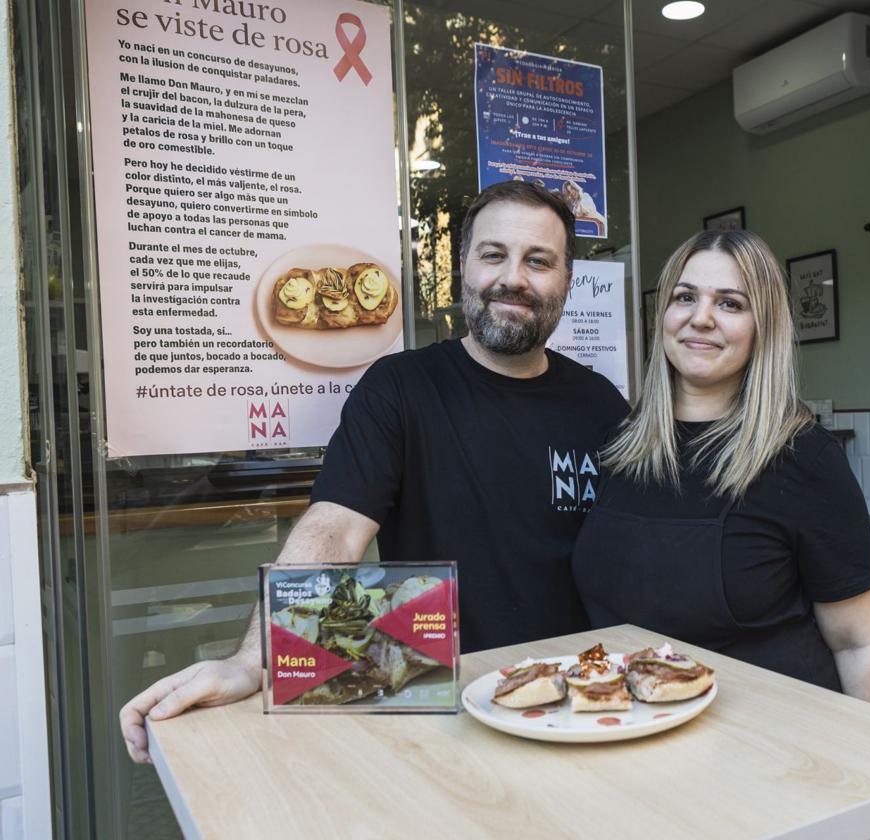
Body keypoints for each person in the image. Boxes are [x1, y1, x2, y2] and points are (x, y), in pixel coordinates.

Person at [120, 181, 629, 762]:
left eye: (538, 261)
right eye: (494, 254)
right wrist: (254, 659)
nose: (513, 277)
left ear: (566, 280)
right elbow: (335, 527)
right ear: (463, 266)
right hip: (445, 706)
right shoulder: (400, 389)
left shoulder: (601, 406)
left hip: (582, 701)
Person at [572, 229, 870, 709]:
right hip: (632, 737)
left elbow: (859, 643)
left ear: (763, 326)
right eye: (685, 297)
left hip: (776, 749)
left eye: (730, 303)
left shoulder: (804, 458)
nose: (700, 319)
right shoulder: (620, 445)